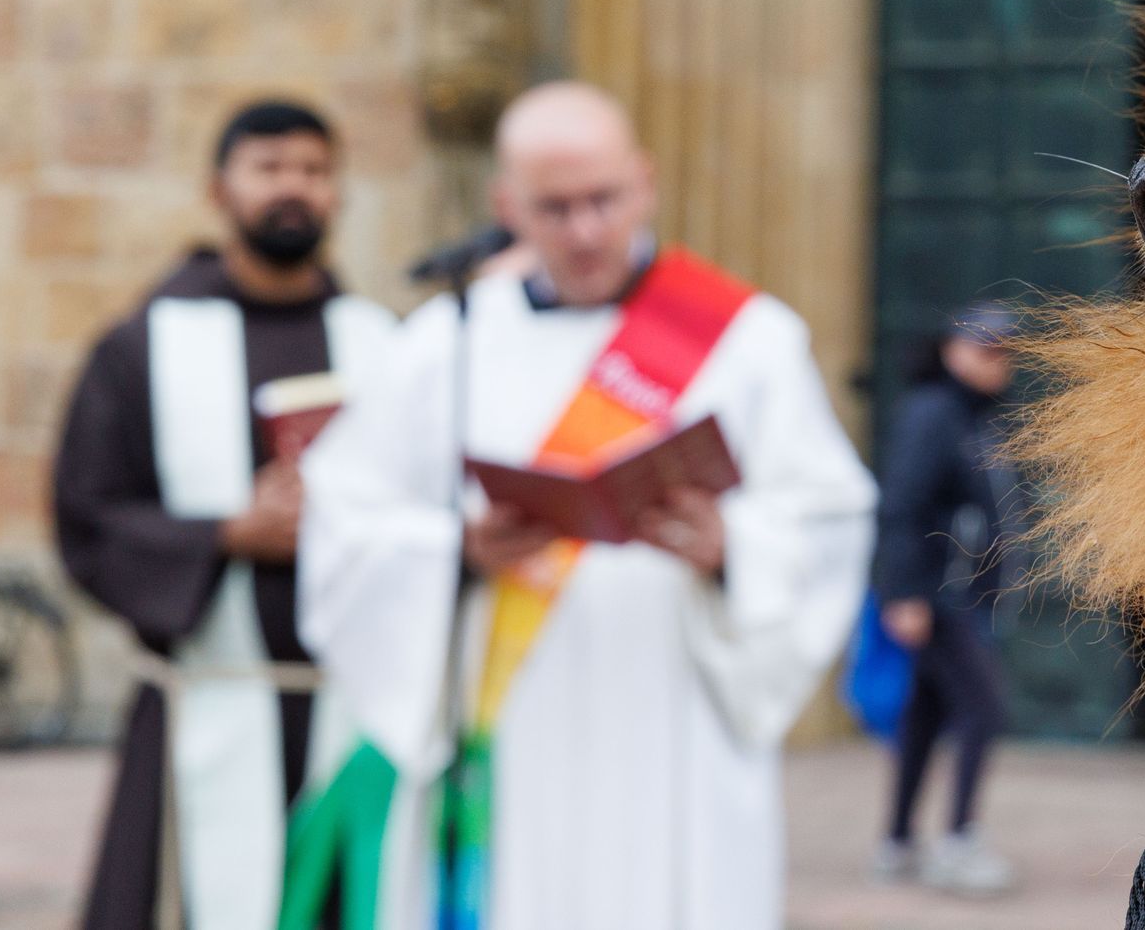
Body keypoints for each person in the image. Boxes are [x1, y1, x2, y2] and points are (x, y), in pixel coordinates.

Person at [297, 81, 877, 930]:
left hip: (673, 721)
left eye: (603, 199)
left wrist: (731, 547)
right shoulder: (444, 344)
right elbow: (346, 518)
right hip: (506, 727)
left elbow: (829, 519)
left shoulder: (748, 343)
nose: (584, 230)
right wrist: (457, 545)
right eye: (553, 207)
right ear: (506, 206)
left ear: (643, 183)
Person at [51, 101, 398, 930]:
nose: (294, 189)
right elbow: (87, 516)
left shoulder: (385, 345)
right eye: (270, 168)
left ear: (338, 193)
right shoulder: (141, 347)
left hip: (350, 704)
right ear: (220, 189)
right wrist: (226, 535)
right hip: (204, 697)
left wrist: (345, 522)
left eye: (314, 172)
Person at [872, 304, 1023, 897]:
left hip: (964, 596)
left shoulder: (979, 418)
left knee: (925, 714)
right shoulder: (935, 412)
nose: (997, 361)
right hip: (940, 596)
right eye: (985, 348)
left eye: (1005, 351)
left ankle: (897, 841)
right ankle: (959, 842)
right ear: (952, 351)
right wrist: (903, 592)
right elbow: (903, 506)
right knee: (982, 709)